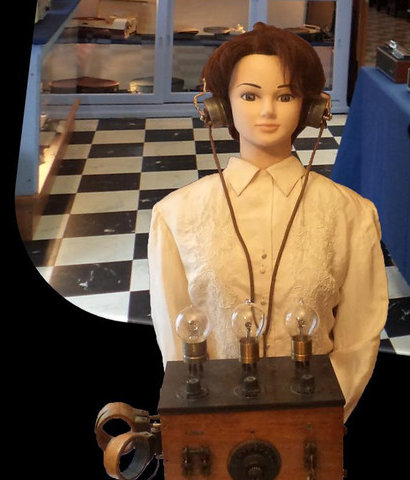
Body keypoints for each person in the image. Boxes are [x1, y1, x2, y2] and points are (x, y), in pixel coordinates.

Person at [148, 23, 388, 419]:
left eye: (286, 95)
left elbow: (358, 339)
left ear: (312, 108)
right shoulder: (175, 215)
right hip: (213, 423)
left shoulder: (353, 214)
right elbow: (175, 343)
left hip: (314, 426)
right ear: (219, 107)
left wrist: (320, 420)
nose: (267, 111)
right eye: (249, 95)